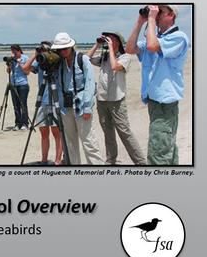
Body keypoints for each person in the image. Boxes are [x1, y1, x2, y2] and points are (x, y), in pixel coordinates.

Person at [126, 5, 189, 165]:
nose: (157, 14)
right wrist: (140, 22)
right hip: (154, 101)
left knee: (158, 153)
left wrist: (152, 19)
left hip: (165, 104)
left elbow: (152, 47)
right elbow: (129, 48)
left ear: (172, 15)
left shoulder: (179, 37)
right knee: (167, 148)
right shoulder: (154, 37)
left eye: (161, 11)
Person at [88, 32, 146, 165]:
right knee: (108, 133)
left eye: (112, 39)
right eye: (107, 39)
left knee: (124, 132)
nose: (109, 41)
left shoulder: (125, 57)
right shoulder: (104, 56)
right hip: (102, 100)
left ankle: (141, 162)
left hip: (117, 100)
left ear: (118, 42)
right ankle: (111, 161)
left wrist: (111, 49)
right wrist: (97, 44)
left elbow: (115, 66)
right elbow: (86, 59)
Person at [51, 32, 103, 165]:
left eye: (65, 48)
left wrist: (87, 107)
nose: (62, 52)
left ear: (71, 47)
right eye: (59, 49)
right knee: (70, 143)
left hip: (81, 106)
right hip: (65, 108)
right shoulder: (58, 63)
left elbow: (90, 84)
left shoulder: (82, 59)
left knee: (89, 142)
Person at [22, 41, 63, 165]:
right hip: (43, 101)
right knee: (43, 133)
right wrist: (35, 55)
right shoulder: (40, 63)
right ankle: (44, 159)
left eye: (45, 49)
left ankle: (57, 160)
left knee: (57, 133)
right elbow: (25, 68)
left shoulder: (57, 61)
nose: (43, 51)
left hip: (56, 100)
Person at [7, 44, 30, 131]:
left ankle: (25, 123)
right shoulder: (12, 59)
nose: (13, 53)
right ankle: (18, 123)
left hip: (23, 84)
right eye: (12, 51)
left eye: (14, 51)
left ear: (19, 50)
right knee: (15, 105)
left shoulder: (25, 58)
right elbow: (8, 71)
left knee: (23, 104)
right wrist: (9, 64)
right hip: (14, 84)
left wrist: (19, 62)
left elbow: (27, 72)